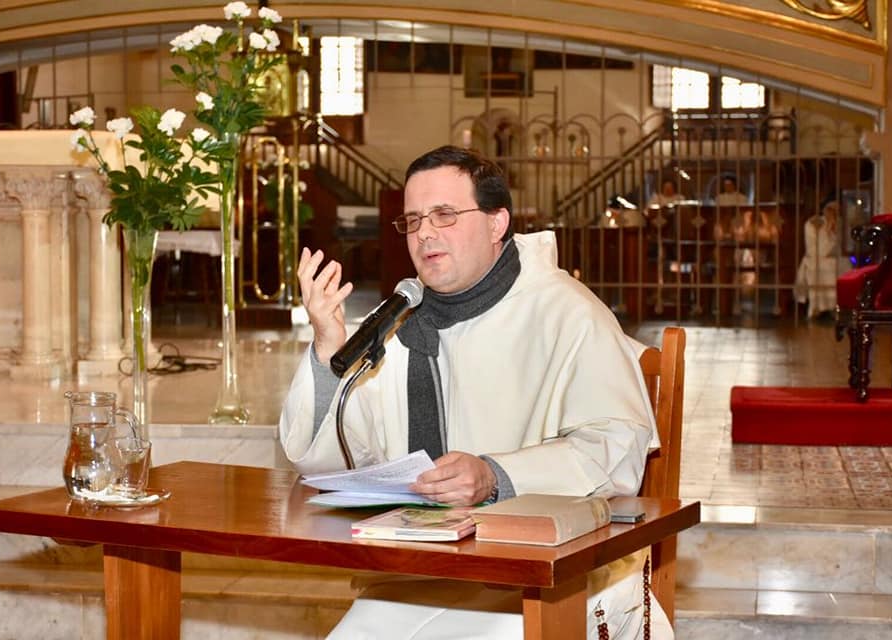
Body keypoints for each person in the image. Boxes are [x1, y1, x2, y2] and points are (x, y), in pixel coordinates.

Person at [279, 145, 667, 639]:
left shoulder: (567, 313)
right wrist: (329, 349)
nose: (424, 233)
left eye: (444, 214)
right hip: (428, 570)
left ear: (496, 222)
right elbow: (332, 457)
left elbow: (617, 449)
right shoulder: (398, 320)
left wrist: (496, 476)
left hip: (557, 569)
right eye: (413, 220)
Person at [794, 196, 850, 318]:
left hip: (836, 258)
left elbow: (841, 245)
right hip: (816, 257)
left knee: (844, 266)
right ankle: (818, 306)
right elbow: (815, 249)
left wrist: (833, 230)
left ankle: (839, 306)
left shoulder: (840, 223)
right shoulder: (812, 224)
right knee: (823, 267)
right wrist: (827, 230)